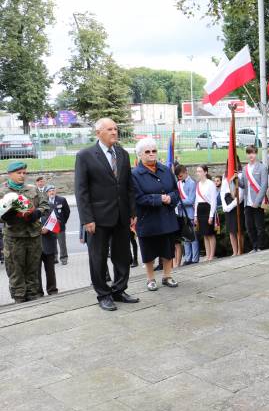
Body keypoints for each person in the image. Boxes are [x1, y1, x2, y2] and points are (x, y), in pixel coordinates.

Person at [75, 117, 138, 311]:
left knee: (122, 255)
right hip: (98, 218)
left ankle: (119, 290)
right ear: (98, 133)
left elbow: (128, 186)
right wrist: (87, 219)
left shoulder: (122, 154)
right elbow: (81, 189)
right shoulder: (85, 155)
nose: (114, 132)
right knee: (98, 257)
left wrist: (132, 212)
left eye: (116, 129)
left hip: (121, 215)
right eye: (109, 129)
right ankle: (103, 294)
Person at [131, 138, 180, 291]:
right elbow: (137, 197)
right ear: (140, 154)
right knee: (149, 251)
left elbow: (176, 191)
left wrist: (171, 198)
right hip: (148, 219)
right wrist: (159, 199)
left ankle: (167, 276)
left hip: (166, 217)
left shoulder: (165, 169)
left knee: (167, 249)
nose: (152, 154)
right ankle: (150, 278)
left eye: (154, 151)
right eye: (147, 152)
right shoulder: (134, 174)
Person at [0, 162, 49, 303]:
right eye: (18, 173)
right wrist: (6, 216)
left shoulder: (33, 189)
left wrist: (37, 213)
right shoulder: (3, 191)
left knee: (33, 270)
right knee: (16, 272)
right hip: (14, 239)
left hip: (33, 237)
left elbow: (45, 204)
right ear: (9, 174)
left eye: (24, 173)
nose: (22, 176)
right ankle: (19, 300)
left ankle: (34, 298)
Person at [239, 145, 269, 252]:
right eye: (248, 153)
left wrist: (257, 201)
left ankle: (261, 247)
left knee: (259, 227)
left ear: (256, 153)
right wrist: (235, 181)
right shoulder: (244, 169)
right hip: (248, 202)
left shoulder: (262, 167)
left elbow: (264, 185)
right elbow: (243, 185)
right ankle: (255, 246)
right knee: (249, 227)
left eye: (252, 152)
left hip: (258, 202)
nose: (250, 155)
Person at [221, 158, 244, 256]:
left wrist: (230, 206)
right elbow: (222, 191)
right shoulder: (225, 175)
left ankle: (240, 251)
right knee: (231, 230)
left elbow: (241, 194)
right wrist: (224, 205)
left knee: (238, 229)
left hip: (236, 202)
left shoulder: (241, 174)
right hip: (227, 201)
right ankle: (234, 251)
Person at [176, 164, 199, 265]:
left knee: (192, 237)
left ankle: (194, 258)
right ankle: (188, 258)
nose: (179, 178)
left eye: (180, 176)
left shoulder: (192, 183)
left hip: (189, 213)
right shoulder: (178, 183)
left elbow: (191, 200)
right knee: (185, 237)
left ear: (185, 172)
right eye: (178, 176)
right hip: (181, 214)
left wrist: (179, 202)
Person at [195, 165, 218, 261]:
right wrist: (195, 215)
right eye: (197, 171)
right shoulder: (198, 184)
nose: (198, 173)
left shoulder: (210, 184)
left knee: (210, 233)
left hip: (208, 209)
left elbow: (213, 201)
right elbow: (196, 200)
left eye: (200, 171)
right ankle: (207, 255)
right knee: (204, 233)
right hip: (200, 209)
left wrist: (211, 216)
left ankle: (211, 255)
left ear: (205, 172)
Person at [39, 188, 58, 296]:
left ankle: (52, 290)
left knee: (50, 270)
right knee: (36, 271)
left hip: (48, 243)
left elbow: (57, 220)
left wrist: (48, 228)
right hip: (35, 245)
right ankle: (38, 292)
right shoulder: (29, 208)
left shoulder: (50, 206)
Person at [45, 185, 70, 265]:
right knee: (52, 243)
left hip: (60, 226)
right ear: (47, 193)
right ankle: (54, 257)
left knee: (62, 243)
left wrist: (63, 222)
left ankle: (64, 258)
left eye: (53, 190)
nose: (51, 192)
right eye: (49, 191)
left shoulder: (61, 200)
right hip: (50, 226)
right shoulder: (44, 201)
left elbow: (67, 212)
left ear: (55, 191)